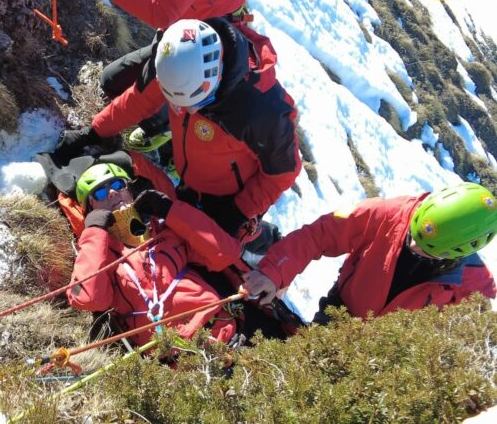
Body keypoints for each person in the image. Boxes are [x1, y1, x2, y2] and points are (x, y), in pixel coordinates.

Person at [53, 17, 301, 243]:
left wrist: (240, 211)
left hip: (233, 196)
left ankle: (265, 239)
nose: (190, 112)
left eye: (200, 102)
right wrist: (94, 131)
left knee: (230, 241)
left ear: (216, 77)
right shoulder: (173, 61)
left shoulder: (261, 110)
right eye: (178, 104)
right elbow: (137, 100)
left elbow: (283, 172)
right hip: (191, 179)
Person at [61, 0, 248, 151]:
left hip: (202, 38)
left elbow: (162, 12)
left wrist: (92, 133)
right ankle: (168, 110)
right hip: (184, 20)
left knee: (152, 95)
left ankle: (167, 125)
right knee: (111, 81)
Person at [242, 182, 497, 323]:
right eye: (413, 235)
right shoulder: (388, 214)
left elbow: (468, 337)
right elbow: (319, 235)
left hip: (388, 358)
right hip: (339, 315)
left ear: (455, 255)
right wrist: (274, 272)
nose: (412, 247)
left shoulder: (472, 288)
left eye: (425, 250)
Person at [66, 162, 246, 346]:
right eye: (100, 193)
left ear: (129, 191)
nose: (112, 193)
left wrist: (170, 210)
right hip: (171, 361)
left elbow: (226, 253)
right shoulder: (100, 257)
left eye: (118, 185)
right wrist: (94, 231)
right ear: (91, 209)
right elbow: (87, 299)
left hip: (218, 333)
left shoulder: (167, 232)